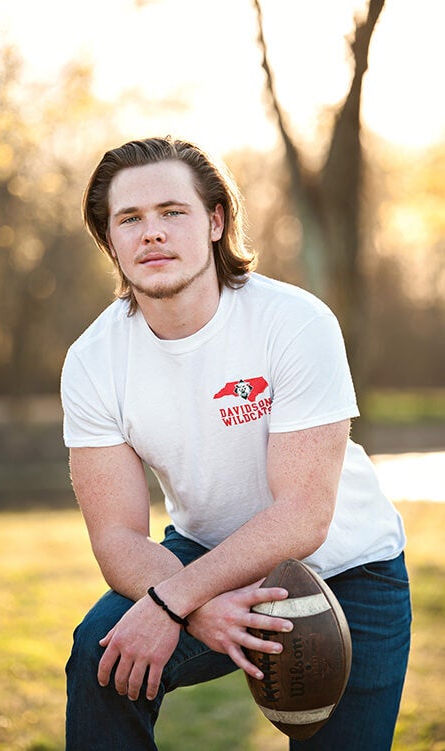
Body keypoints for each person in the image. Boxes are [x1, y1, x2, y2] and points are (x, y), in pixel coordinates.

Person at [60, 136, 411, 751]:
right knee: (103, 656)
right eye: (130, 219)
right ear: (109, 240)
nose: (152, 233)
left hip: (350, 575)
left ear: (216, 221)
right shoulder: (93, 361)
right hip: (203, 557)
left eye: (173, 212)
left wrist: (175, 603)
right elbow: (115, 535)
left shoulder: (294, 322)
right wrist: (192, 604)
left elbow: (303, 515)